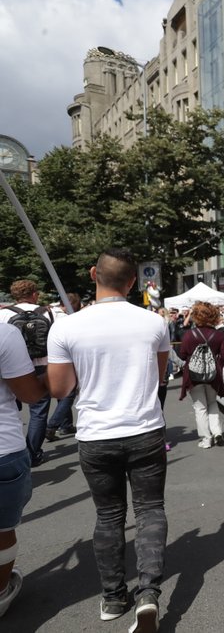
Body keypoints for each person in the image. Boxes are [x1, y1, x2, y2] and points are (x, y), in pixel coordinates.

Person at [47, 248, 170, 631]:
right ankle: (148, 593)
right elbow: (161, 376)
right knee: (149, 510)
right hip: (145, 428)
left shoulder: (67, 327)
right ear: (133, 281)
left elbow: (61, 389)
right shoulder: (153, 323)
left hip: (97, 435)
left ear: (92, 274)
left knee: (109, 516)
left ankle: (114, 596)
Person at [0, 323, 46, 619]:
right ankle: (1, 591)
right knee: (2, 531)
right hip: (2, 449)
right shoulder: (4, 334)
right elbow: (30, 394)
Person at [0, 280, 55, 467]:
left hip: (8, 370)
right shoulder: (48, 312)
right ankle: (33, 453)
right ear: (34, 294)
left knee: (11, 405)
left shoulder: (4, 314)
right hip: (40, 365)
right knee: (38, 411)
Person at [178, 302, 224, 449]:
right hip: (213, 376)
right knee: (212, 403)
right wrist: (216, 368)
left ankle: (206, 439)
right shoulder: (218, 335)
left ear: (195, 316)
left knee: (200, 408)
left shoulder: (189, 335)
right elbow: (223, 357)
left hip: (194, 376)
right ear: (213, 315)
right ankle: (217, 432)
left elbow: (182, 354)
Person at [45, 293, 82, 440]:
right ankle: (52, 425)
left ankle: (66, 425)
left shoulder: (46, 312)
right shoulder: (67, 319)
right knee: (69, 394)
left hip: (44, 359)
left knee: (62, 392)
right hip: (64, 359)